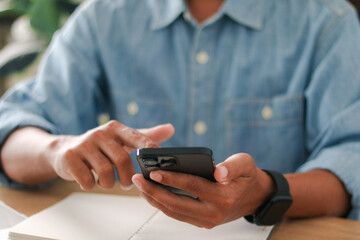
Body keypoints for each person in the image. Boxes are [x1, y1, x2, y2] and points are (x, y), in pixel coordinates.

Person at [1, 0, 360, 228]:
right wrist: (55, 150)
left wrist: (267, 192)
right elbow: (13, 126)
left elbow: (351, 165)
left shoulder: (326, 21)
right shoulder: (104, 16)